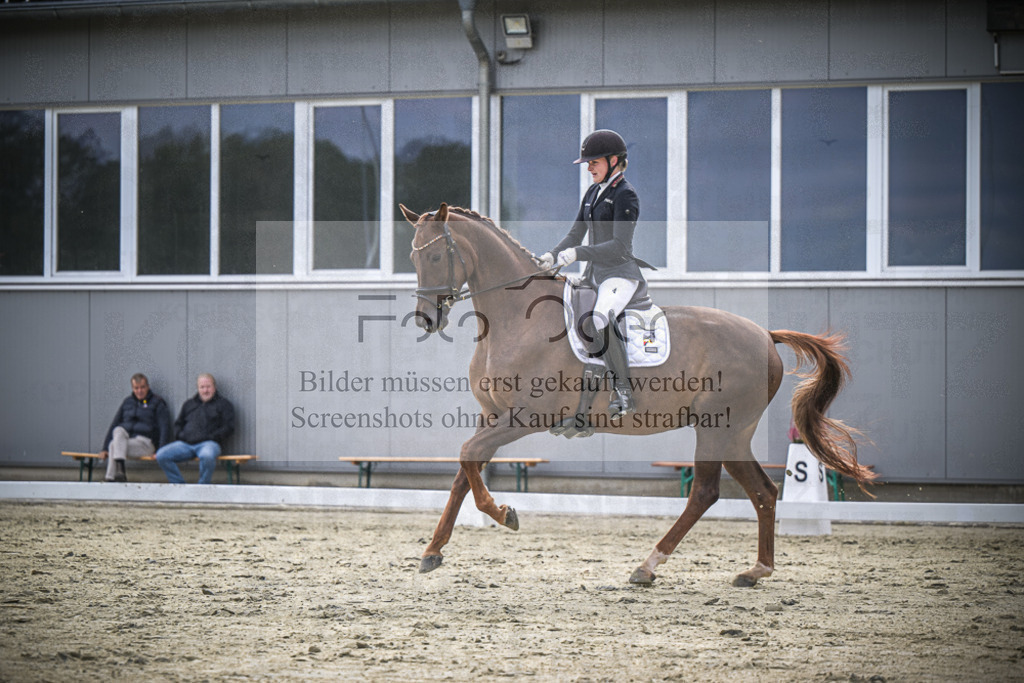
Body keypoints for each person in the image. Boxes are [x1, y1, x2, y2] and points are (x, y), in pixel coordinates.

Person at [538, 129, 653, 419]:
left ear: (614, 161)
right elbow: (577, 232)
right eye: (588, 164)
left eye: (594, 162)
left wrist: (579, 254)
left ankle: (624, 393)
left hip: (619, 273)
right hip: (594, 274)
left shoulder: (626, 195)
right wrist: (552, 255)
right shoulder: (593, 192)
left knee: (600, 319)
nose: (589, 168)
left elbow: (619, 246)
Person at [155, 373, 235, 484]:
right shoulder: (189, 404)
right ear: (198, 388)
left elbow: (229, 427)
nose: (205, 390)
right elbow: (178, 424)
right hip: (185, 444)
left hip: (209, 444)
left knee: (207, 456)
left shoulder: (224, 404)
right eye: (202, 387)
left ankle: (201, 489)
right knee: (162, 455)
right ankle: (180, 486)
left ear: (214, 387)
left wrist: (211, 437)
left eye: (208, 387)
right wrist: (182, 435)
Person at [99, 373, 173, 482]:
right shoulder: (127, 402)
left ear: (148, 387)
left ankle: (111, 478)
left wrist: (161, 450)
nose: (139, 391)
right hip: (127, 441)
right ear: (132, 388)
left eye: (142, 387)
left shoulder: (157, 402)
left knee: (113, 445)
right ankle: (119, 473)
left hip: (146, 443)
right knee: (118, 431)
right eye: (136, 388)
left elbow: (164, 427)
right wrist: (104, 449)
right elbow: (114, 424)